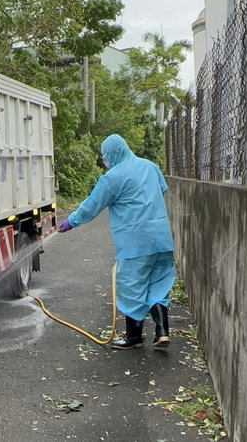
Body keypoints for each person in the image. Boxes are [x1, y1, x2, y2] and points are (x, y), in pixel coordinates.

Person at [57, 134, 175, 350]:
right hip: (162, 238)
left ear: (111, 154)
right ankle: (162, 331)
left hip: (135, 242)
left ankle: (134, 337)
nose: (105, 161)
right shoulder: (150, 166)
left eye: (105, 157)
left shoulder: (112, 177)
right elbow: (161, 190)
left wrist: (70, 222)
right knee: (159, 283)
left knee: (132, 286)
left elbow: (92, 206)